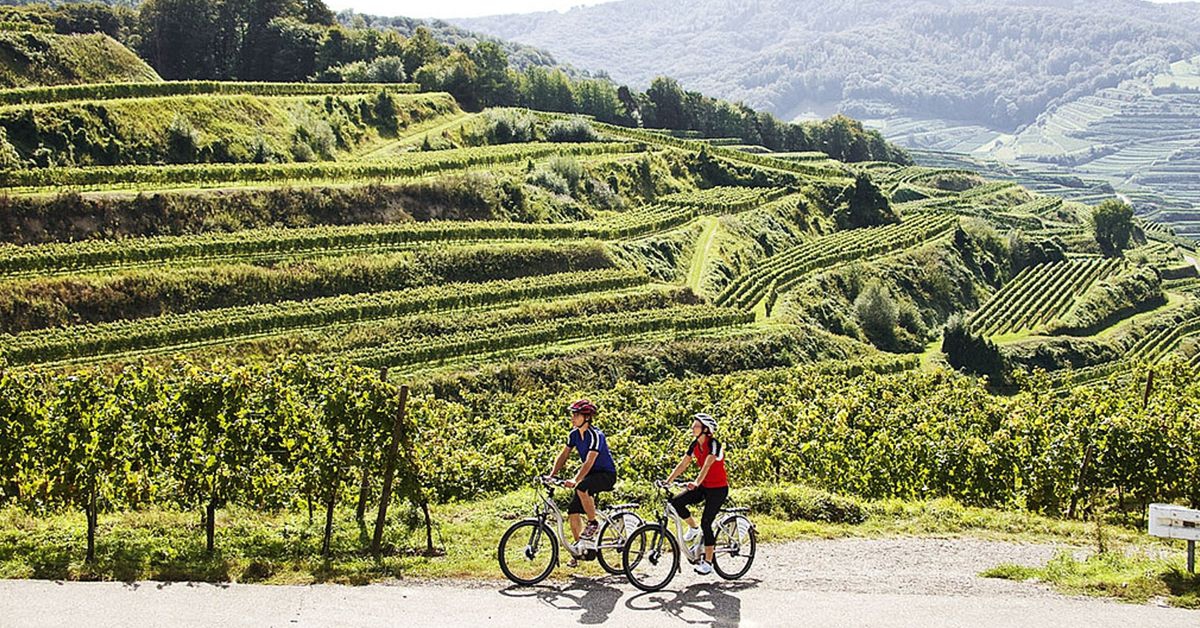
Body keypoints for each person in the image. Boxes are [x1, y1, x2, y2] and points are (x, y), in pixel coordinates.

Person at [548, 398, 617, 567]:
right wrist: (552, 475)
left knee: (582, 487)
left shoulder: (596, 435)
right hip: (590, 475)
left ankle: (593, 523)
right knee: (573, 511)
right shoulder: (574, 435)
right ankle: (579, 550)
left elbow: (589, 461)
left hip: (606, 475)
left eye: (576, 415)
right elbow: (564, 455)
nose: (572, 418)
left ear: (586, 417)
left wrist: (575, 480)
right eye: (572, 414)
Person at [664, 412, 729, 575]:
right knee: (676, 503)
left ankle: (708, 563)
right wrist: (668, 481)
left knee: (706, 523)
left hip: (718, 489)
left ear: (705, 429)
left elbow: (707, 465)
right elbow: (683, 464)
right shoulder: (695, 445)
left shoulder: (714, 444)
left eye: (696, 426)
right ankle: (693, 528)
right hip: (704, 486)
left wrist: (696, 482)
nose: (692, 428)